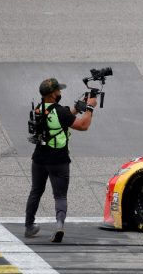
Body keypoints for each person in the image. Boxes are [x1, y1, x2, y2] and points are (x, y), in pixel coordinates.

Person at [24, 77, 97, 243]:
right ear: (52, 94)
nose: (60, 92)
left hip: (39, 158)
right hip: (58, 160)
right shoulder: (60, 112)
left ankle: (29, 227)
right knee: (60, 196)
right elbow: (83, 126)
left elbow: (58, 119)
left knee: (36, 190)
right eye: (58, 91)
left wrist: (75, 109)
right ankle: (59, 225)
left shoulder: (39, 108)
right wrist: (90, 107)